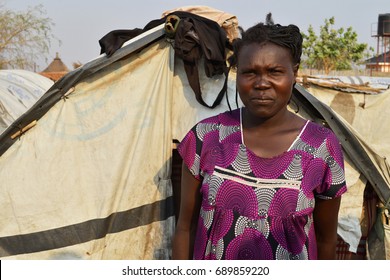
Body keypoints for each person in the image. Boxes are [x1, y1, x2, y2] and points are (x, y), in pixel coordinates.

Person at [172, 14, 347, 260]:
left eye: (274, 71)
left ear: (294, 73)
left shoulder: (321, 146)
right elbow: (185, 228)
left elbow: (326, 239)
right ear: (237, 75)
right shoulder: (206, 137)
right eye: (250, 72)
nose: (262, 83)